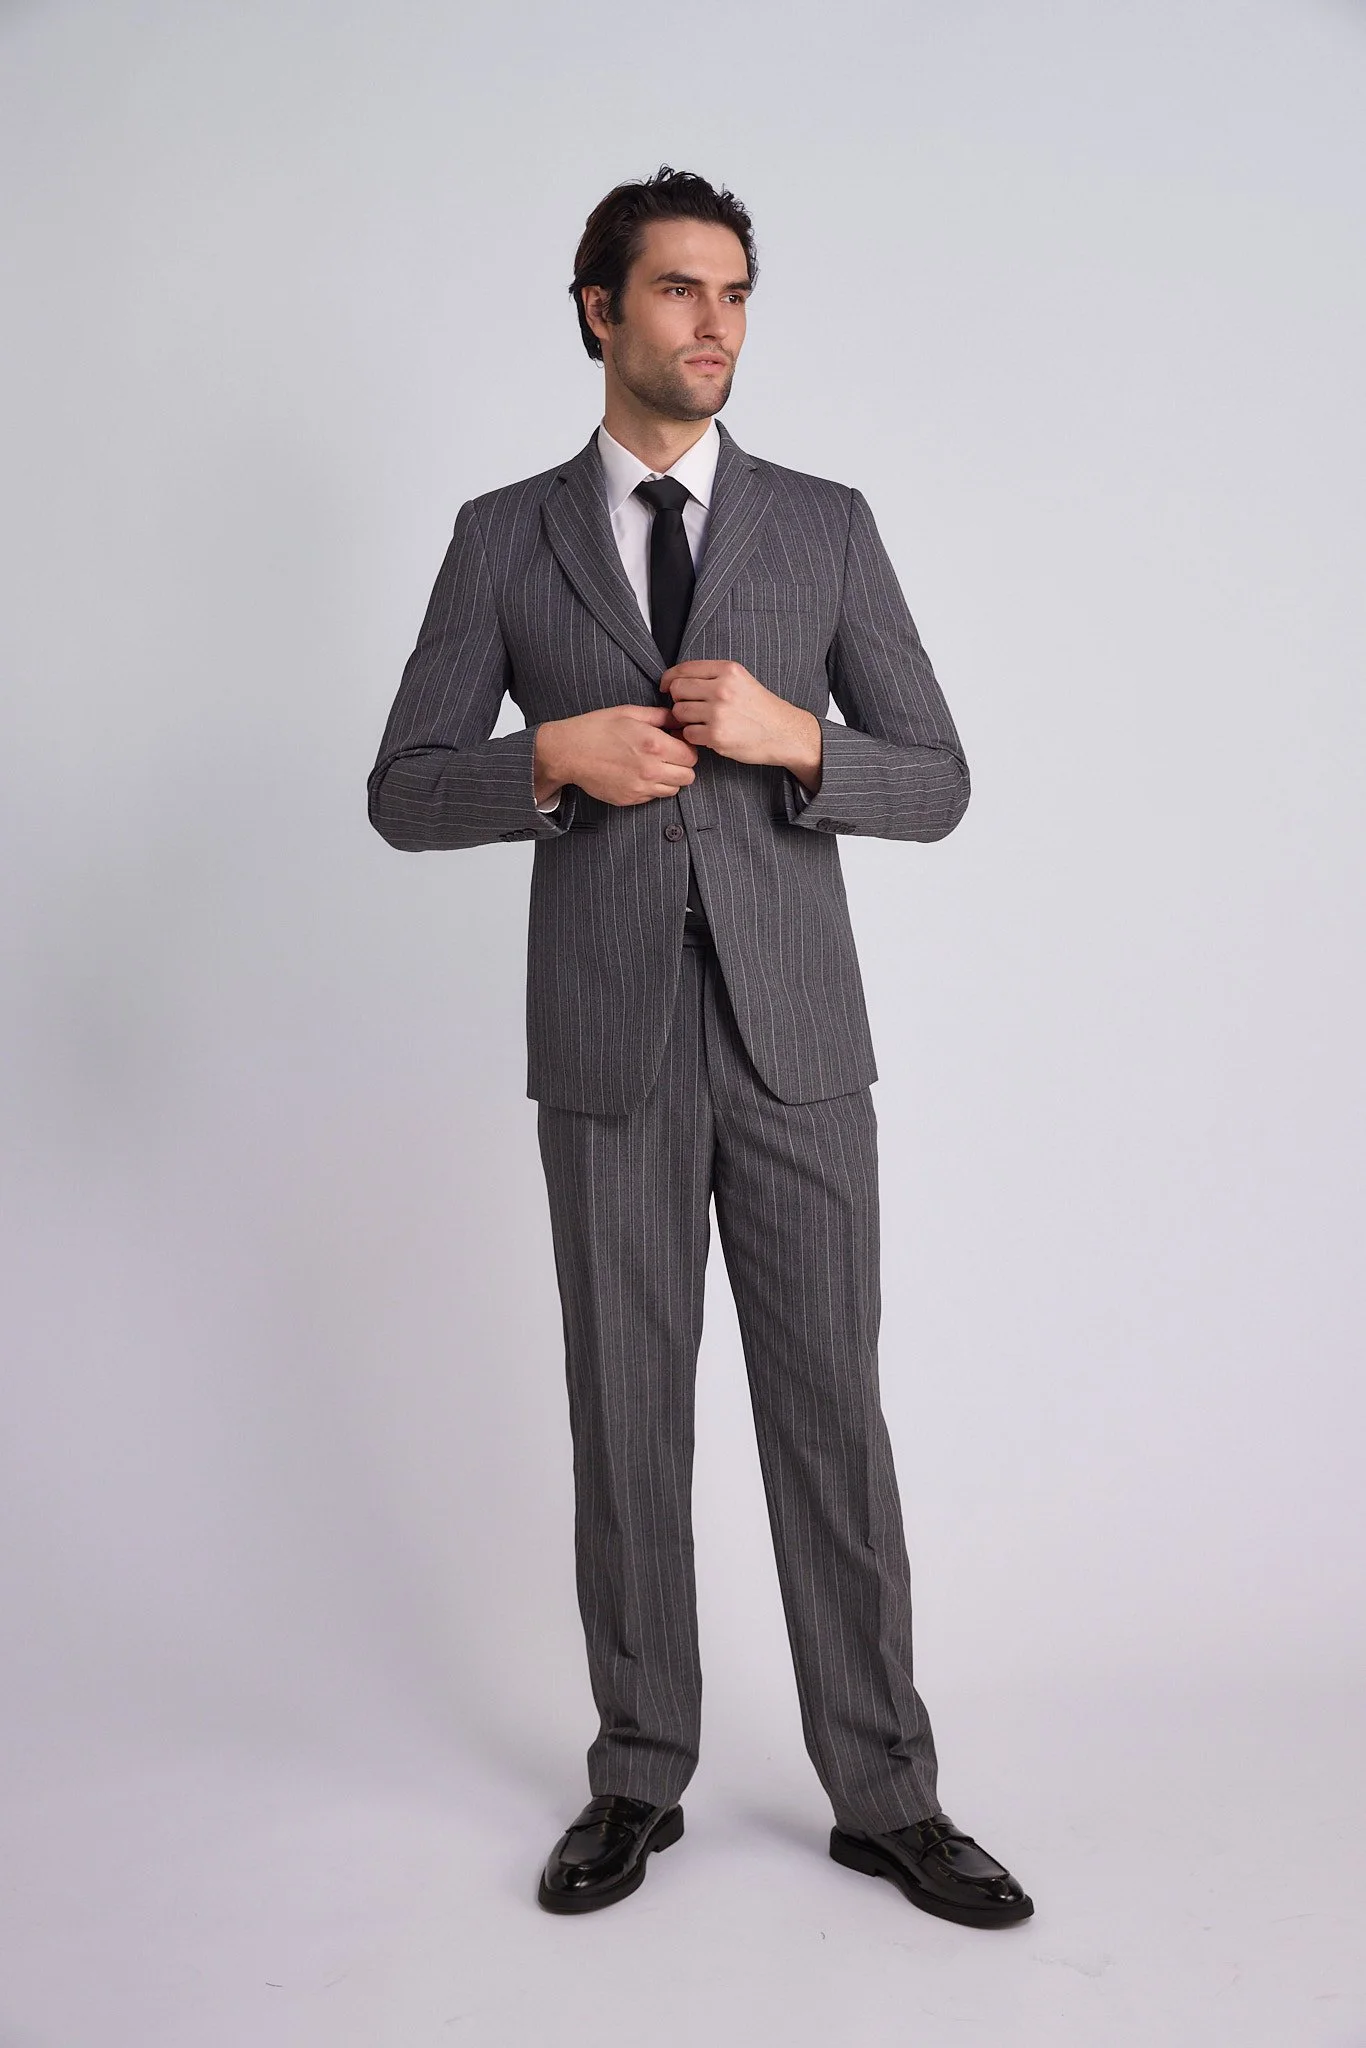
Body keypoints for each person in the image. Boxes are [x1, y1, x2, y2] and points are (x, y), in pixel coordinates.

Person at [367, 166, 1033, 1929]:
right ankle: (636, 1772)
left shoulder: (821, 524)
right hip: (607, 1049)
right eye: (677, 292)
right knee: (626, 1417)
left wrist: (795, 738)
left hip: (798, 1045)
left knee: (831, 1417)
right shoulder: (502, 536)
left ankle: (884, 1794)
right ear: (599, 310)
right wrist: (545, 762)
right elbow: (395, 791)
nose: (714, 324)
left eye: (734, 292)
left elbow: (942, 779)